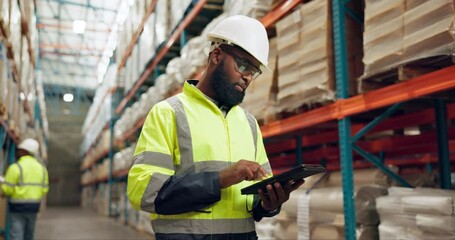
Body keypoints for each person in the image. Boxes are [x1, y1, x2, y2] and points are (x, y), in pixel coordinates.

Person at [127, 15, 304, 239]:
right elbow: (143, 192)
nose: (248, 77)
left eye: (254, 71)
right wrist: (220, 179)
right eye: (243, 65)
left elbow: (254, 198)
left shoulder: (248, 123)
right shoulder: (169, 113)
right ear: (217, 55)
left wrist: (269, 202)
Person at [1, 138, 49, 240]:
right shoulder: (42, 169)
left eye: (20, 149)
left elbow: (8, 189)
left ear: (24, 151)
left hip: (17, 207)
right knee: (29, 234)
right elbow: (45, 189)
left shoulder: (16, 167)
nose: (18, 151)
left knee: (17, 234)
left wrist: (3, 191)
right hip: (34, 206)